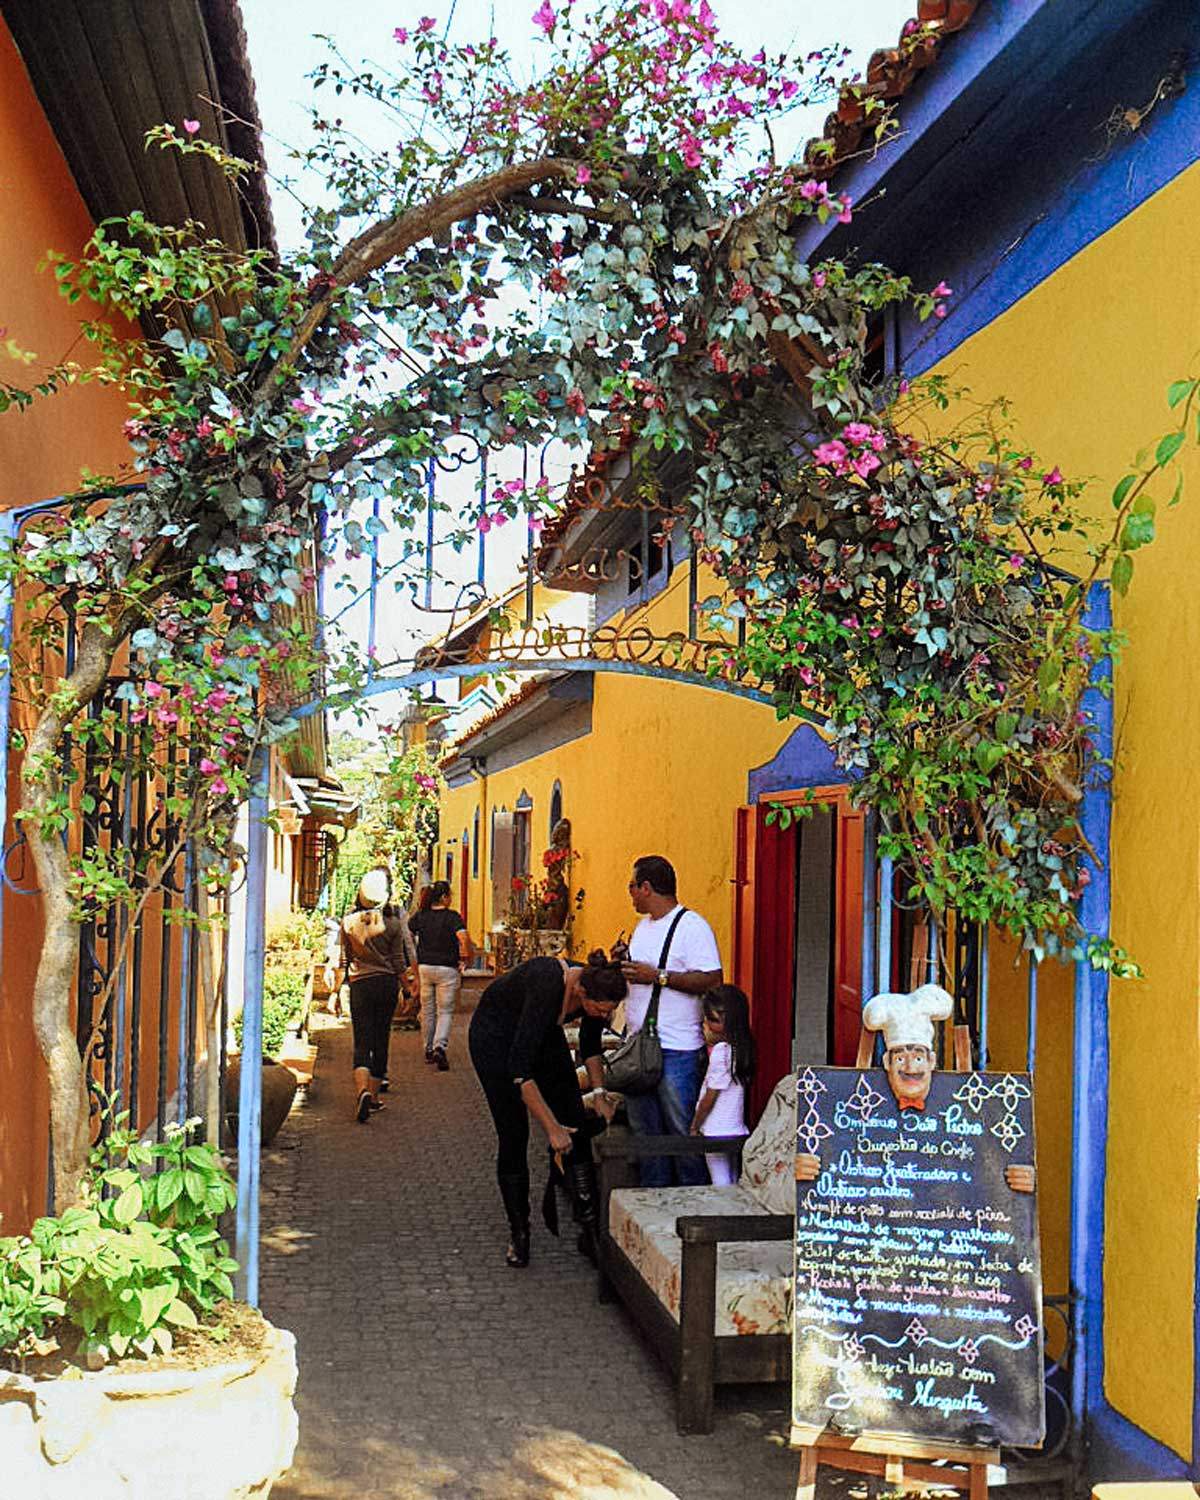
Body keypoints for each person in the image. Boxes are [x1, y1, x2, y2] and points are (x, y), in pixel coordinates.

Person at [468, 950, 625, 1268]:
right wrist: (551, 1128)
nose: (601, 1014)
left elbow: (590, 1044)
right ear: (581, 992)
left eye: (609, 1012)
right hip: (494, 1040)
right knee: (514, 1133)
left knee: (576, 1123)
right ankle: (520, 1232)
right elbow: (519, 1070)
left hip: (540, 1037)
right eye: (598, 1008)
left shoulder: (596, 985)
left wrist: (599, 1093)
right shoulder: (546, 986)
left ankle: (590, 1229)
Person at [619, 855, 722, 1186]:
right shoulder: (642, 927)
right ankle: (655, 1211)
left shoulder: (692, 926)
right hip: (639, 1048)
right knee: (647, 1137)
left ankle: (690, 1210)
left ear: (647, 888)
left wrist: (658, 976)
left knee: (682, 1136)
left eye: (632, 886)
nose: (631, 893)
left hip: (677, 1049)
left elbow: (712, 979)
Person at [326, 867, 418, 1124]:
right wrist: (408, 989)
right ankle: (374, 1097)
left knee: (361, 1041)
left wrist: (335, 992)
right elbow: (399, 961)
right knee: (381, 1041)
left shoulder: (348, 923)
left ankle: (361, 1090)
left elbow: (343, 960)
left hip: (360, 985)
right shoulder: (392, 924)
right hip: (386, 984)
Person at [690, 984, 755, 1185]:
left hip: (715, 1129)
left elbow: (710, 1096)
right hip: (736, 1127)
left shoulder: (721, 1052)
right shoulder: (743, 1048)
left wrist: (695, 1124)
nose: (707, 1025)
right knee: (734, 1177)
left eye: (712, 1020)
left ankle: (722, 1213)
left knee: (720, 1179)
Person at [409, 879, 472, 1070]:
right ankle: (439, 1046)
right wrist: (467, 957)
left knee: (427, 1010)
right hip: (447, 969)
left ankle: (427, 1049)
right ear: (444, 897)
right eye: (449, 895)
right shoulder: (453, 917)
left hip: (425, 967)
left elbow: (408, 933)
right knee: (444, 1011)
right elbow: (464, 938)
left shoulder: (421, 916)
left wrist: (415, 952)